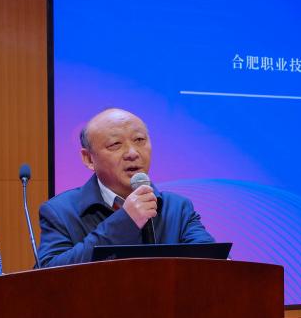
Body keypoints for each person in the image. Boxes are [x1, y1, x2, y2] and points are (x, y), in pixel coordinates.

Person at [37, 108, 214, 267]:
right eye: (115, 144)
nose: (132, 153)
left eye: (139, 140)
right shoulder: (60, 212)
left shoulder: (178, 208)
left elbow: (213, 265)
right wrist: (125, 222)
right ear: (89, 159)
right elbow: (48, 276)